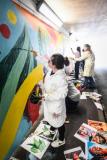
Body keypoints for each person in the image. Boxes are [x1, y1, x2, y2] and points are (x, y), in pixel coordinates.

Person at [41, 54, 68, 148]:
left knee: (59, 123)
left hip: (56, 106)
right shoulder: (51, 71)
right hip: (49, 103)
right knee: (50, 119)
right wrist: (37, 56)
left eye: (50, 61)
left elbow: (63, 94)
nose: (48, 61)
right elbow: (44, 62)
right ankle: (52, 129)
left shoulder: (61, 78)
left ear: (54, 65)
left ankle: (61, 140)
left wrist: (48, 96)